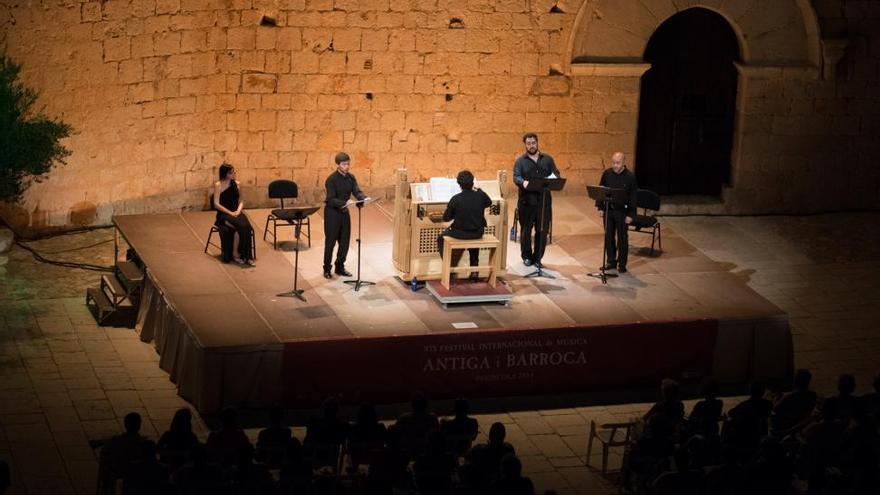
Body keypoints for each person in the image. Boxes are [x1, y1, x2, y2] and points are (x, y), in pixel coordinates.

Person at [513, 132, 560, 268]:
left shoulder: (548, 160)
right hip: (527, 202)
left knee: (542, 230)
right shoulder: (520, 161)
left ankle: (538, 258)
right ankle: (526, 256)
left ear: (537, 143)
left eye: (533, 143)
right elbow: (516, 177)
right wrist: (523, 182)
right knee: (526, 231)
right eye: (528, 143)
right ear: (525, 145)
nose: (531, 146)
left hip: (544, 202)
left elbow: (556, 174)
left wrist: (555, 178)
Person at [437, 170, 492, 280]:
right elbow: (489, 202)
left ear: (459, 184)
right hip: (477, 233)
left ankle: (449, 267)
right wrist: (479, 189)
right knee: (474, 241)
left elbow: (446, 218)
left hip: (459, 233)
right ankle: (474, 271)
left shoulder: (455, 199)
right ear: (473, 182)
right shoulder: (480, 196)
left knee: (440, 238)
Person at [323, 151, 369, 279]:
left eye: (348, 164)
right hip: (332, 214)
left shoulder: (351, 177)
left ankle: (339, 266)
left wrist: (363, 198)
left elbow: (357, 191)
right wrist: (345, 202)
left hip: (344, 213)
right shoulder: (331, 180)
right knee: (330, 242)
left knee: (344, 242)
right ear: (338, 165)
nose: (347, 167)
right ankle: (327, 268)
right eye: (344, 164)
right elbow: (331, 199)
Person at [595, 151, 637, 273]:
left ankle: (622, 264)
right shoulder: (607, 174)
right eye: (613, 162)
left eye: (618, 163)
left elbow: (633, 197)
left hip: (622, 212)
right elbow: (601, 191)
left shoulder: (630, 177)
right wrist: (600, 207)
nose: (615, 165)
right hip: (609, 210)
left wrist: (631, 215)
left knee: (622, 238)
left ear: (623, 163)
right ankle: (611, 261)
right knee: (609, 236)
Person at [213, 162, 255, 265]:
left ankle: (247, 257)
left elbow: (241, 201)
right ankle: (236, 254)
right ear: (225, 174)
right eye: (231, 172)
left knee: (246, 227)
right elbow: (216, 204)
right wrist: (230, 213)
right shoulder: (218, 185)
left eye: (233, 171)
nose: (234, 173)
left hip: (236, 211)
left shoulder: (237, 184)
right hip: (224, 214)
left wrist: (238, 211)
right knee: (240, 227)